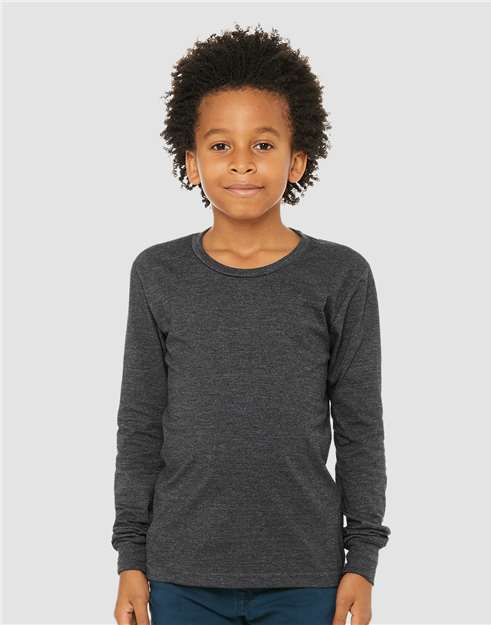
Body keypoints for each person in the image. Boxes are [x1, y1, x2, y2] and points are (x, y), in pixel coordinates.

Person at [112, 23, 391, 625]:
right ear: (191, 162)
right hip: (179, 571)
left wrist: (362, 560)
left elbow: (360, 426)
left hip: (307, 573)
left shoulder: (341, 275)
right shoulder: (157, 273)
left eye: (263, 144)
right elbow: (140, 423)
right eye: (220, 146)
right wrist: (130, 557)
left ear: (297, 160)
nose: (242, 163)